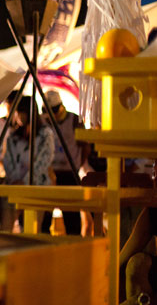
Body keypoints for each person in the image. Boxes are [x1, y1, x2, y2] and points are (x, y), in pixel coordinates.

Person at [0, 96, 55, 232]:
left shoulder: (45, 135)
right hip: (14, 186)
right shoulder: (13, 136)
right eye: (17, 111)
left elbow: (43, 162)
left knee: (32, 229)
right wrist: (15, 180)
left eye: (22, 111)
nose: (18, 115)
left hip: (37, 187)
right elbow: (8, 160)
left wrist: (25, 181)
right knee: (5, 227)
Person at [41, 90, 90, 235]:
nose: (52, 114)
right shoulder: (43, 121)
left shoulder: (74, 120)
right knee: (45, 215)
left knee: (72, 218)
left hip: (69, 174)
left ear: (61, 106)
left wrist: (76, 164)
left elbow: (85, 146)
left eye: (54, 110)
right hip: (49, 174)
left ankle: (73, 246)